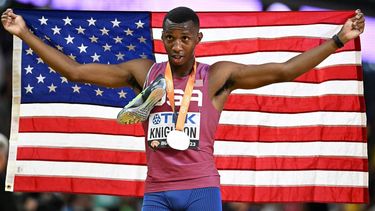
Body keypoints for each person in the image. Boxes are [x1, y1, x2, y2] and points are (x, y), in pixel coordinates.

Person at [1, 6, 365, 211]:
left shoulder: (219, 75)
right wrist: (23, 32)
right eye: (170, 38)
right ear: (163, 38)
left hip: (201, 190)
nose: (177, 46)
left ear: (198, 39)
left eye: (185, 38)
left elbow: (285, 71)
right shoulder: (143, 72)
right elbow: (75, 71)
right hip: (157, 192)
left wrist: (338, 39)